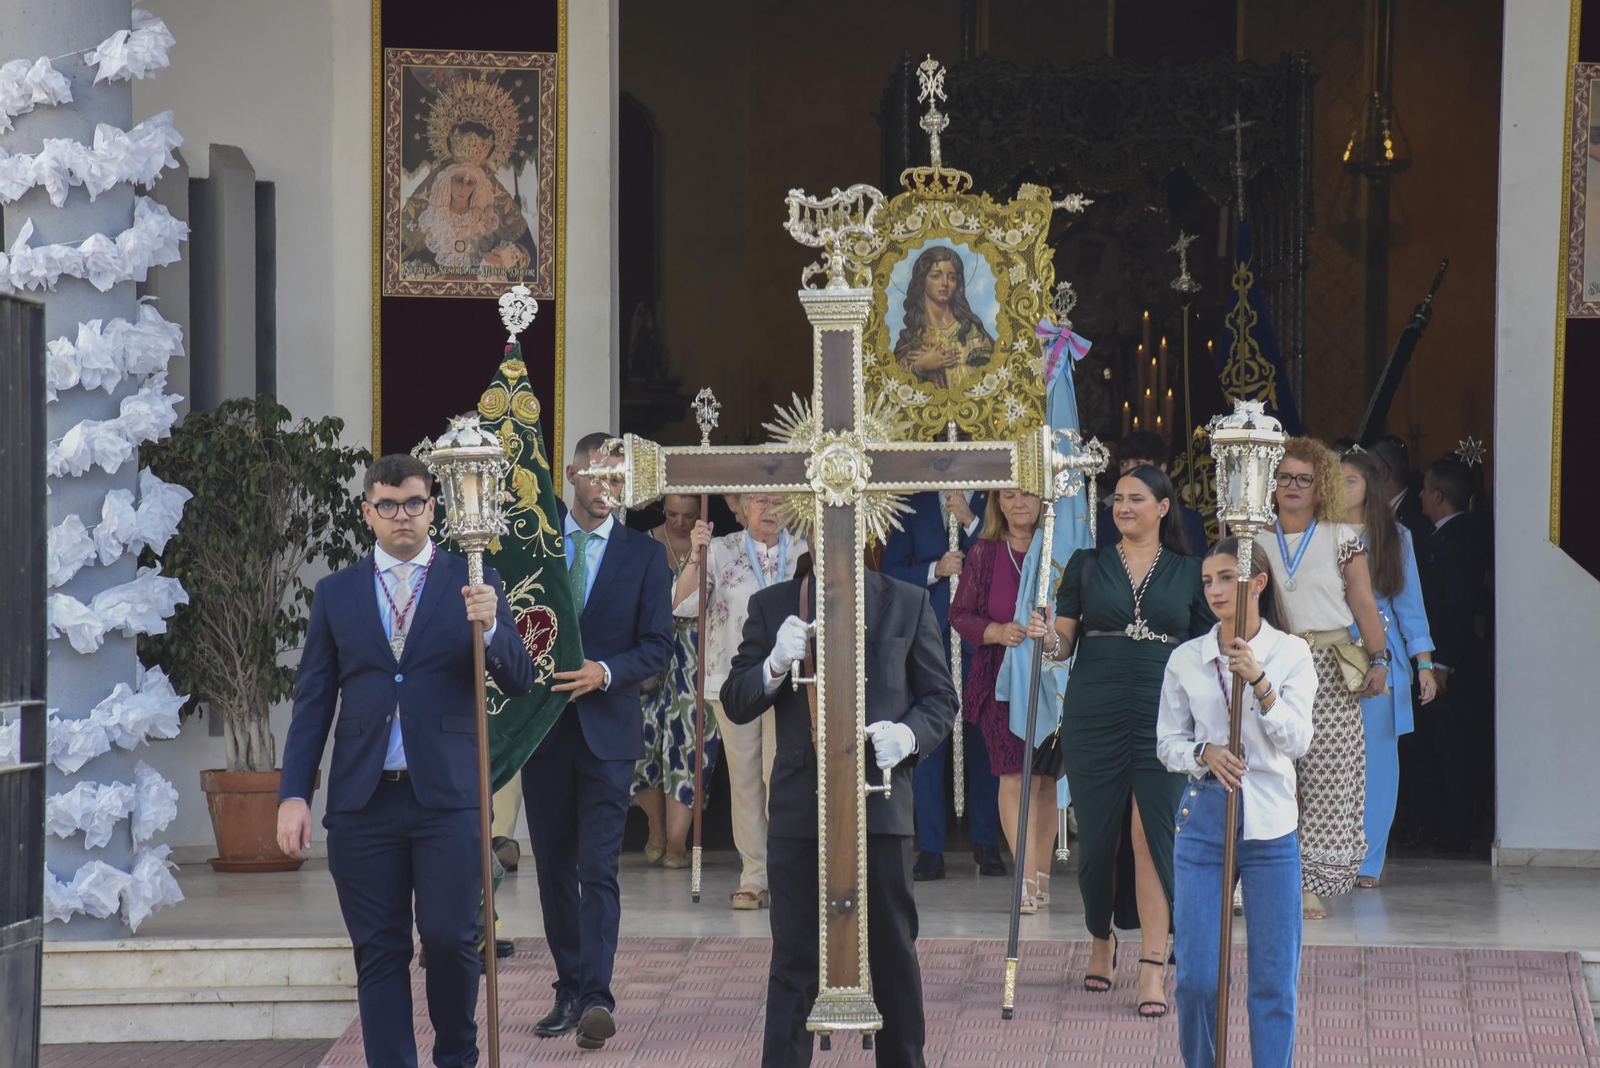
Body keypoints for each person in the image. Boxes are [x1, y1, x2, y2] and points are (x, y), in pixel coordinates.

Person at [275, 454, 537, 1068]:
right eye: (387, 505)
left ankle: (456, 1055)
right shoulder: (336, 593)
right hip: (363, 803)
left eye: (414, 503)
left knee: (449, 939)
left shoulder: (473, 580)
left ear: (433, 508)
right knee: (379, 949)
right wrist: (293, 795)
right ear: (368, 512)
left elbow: (521, 679)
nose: (401, 516)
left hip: (447, 798)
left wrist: (494, 627)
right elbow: (312, 702)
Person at [719, 565, 957, 1067]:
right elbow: (736, 700)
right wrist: (773, 666)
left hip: (881, 805)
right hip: (802, 811)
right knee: (794, 959)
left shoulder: (907, 600)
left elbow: (940, 699)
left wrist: (909, 736)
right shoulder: (774, 603)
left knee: (893, 955)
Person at [1036, 465, 1215, 1016]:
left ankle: (1152, 967)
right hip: (1096, 712)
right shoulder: (1086, 565)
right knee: (1099, 838)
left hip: (1165, 714)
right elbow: (1063, 644)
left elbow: (1208, 644)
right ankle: (1100, 938)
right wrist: (1047, 638)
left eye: (1136, 499)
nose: (1124, 506)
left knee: (1151, 837)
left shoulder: (1191, 572)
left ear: (1164, 508)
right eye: (1118, 499)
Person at [521, 432, 673, 1049]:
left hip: (608, 732)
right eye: (597, 475)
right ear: (571, 474)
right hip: (544, 731)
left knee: (597, 866)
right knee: (554, 867)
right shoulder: (535, 545)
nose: (607, 489)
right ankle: (567, 988)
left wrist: (605, 672)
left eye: (619, 479)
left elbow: (658, 647)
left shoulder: (644, 556)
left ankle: (597, 997)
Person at [1156, 539, 1316, 1068]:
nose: (1215, 590)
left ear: (1258, 584)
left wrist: (1262, 683)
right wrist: (1204, 751)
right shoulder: (1187, 657)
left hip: (1270, 820)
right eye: (1208, 581)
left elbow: (1297, 741)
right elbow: (1167, 743)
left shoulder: (1290, 653)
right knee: (1198, 977)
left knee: (1273, 979)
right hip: (1204, 815)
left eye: (1227, 578)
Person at [1260, 437, 1390, 920]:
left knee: (1324, 777)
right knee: (1269, 771)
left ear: (1321, 487)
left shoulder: (1340, 536)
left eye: (1304, 479)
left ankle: (1305, 882)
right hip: (1270, 665)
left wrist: (1379, 659)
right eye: (1284, 477)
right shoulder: (1253, 534)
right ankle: (1255, 877)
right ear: (1271, 485)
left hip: (1329, 667)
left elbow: (1363, 603)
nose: (1292, 486)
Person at [682, 493, 809, 909]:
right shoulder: (720, 550)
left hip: (790, 682)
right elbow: (681, 603)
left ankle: (787, 871)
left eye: (777, 501)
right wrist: (696, 555)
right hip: (732, 681)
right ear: (741, 508)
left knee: (783, 778)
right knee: (747, 782)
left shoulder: (807, 550)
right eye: (759, 501)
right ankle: (754, 876)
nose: (769, 509)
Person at [880, 487, 1004, 880]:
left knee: (983, 744)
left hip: (980, 641)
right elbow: (890, 571)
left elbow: (1006, 558)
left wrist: (970, 520)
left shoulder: (992, 501)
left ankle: (987, 844)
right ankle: (930, 847)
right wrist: (936, 569)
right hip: (929, 640)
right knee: (928, 743)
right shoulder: (914, 504)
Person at [949, 489, 1058, 909]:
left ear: (1043, 502)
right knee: (1015, 776)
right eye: (1008, 497)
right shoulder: (984, 553)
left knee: (1046, 779)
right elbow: (959, 613)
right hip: (1001, 680)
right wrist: (997, 632)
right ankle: (1025, 882)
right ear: (996, 504)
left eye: (1027, 496)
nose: (1018, 505)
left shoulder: (1059, 550)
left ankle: (1043, 878)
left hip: (1052, 676)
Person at [1341, 451, 1438, 887]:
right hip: (1326, 652)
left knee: (1378, 763)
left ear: (1370, 488)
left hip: (1382, 655)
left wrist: (1425, 665)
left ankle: (1368, 860)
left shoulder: (1395, 537)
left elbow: (1410, 607)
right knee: (1326, 760)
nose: (1341, 489)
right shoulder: (1314, 533)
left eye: (1350, 482)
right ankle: (1325, 856)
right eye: (1334, 480)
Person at [631, 494, 721, 868]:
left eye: (688, 515)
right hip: (651, 653)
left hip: (697, 656)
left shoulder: (712, 547)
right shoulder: (641, 543)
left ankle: (677, 846)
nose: (681, 523)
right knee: (641, 745)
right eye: (672, 515)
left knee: (687, 747)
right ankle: (656, 828)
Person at [1406, 457, 1491, 851]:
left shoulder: (1455, 540)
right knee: (1439, 747)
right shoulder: (1443, 536)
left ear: (1438, 495)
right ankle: (1442, 826)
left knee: (1452, 748)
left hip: (1450, 668)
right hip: (1442, 664)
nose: (1420, 494)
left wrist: (1440, 665)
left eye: (1424, 488)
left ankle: (1455, 833)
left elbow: (1455, 609)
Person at [892, 245, 995, 392]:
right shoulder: (911, 340)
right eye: (936, 276)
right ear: (922, 281)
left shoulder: (972, 333)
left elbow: (992, 379)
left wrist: (945, 367)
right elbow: (894, 389)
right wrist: (920, 367)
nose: (945, 283)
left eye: (952, 277)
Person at [1096, 431, 1209, 554]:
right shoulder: (1104, 521)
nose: (1129, 470)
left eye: (1139, 463)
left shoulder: (1188, 521)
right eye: (1123, 463)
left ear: (1161, 468)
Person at [1369, 436, 1432, 541]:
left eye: (1369, 469)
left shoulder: (1417, 516)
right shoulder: (1373, 509)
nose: (1364, 475)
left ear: (1383, 473)